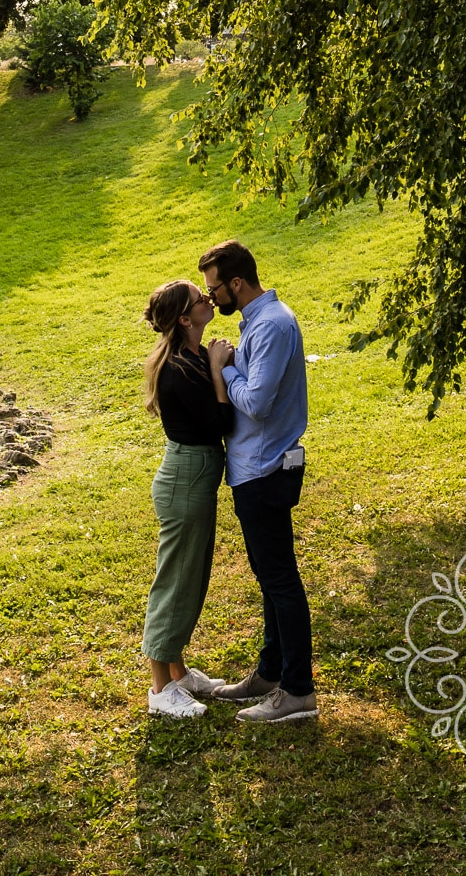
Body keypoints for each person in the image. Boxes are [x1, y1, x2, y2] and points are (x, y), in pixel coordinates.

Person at [199, 240, 318, 723]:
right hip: (257, 468)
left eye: (215, 289)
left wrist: (222, 369)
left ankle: (297, 692)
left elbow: (259, 403)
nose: (213, 299)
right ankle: (270, 672)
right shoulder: (259, 323)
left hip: (264, 470)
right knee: (271, 580)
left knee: (281, 582)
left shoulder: (270, 326)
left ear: (237, 284)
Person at [141, 279, 234, 718]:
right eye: (200, 298)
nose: (208, 299)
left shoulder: (192, 356)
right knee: (176, 582)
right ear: (184, 318)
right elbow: (220, 420)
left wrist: (212, 361)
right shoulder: (181, 367)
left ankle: (178, 673)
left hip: (195, 475)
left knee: (191, 577)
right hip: (185, 479)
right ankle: (161, 690)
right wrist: (218, 368)